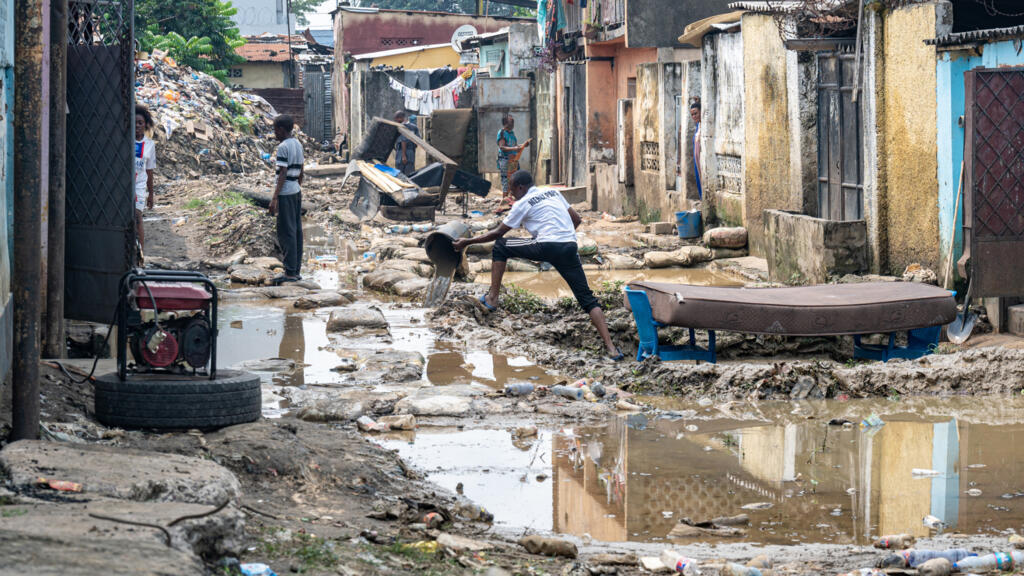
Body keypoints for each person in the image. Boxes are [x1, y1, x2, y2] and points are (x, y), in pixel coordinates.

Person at [453, 170, 623, 361]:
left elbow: (497, 234)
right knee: (588, 299)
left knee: (501, 247)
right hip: (569, 246)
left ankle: (492, 298)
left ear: (520, 187)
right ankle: (612, 349)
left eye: (511, 190)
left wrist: (466, 243)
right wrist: (561, 240)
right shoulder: (553, 192)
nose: (510, 195)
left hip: (547, 245)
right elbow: (577, 219)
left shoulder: (522, 203)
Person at [269, 114, 304, 284]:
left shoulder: (283, 147)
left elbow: (282, 173)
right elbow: (302, 170)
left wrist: (274, 198)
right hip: (295, 190)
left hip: (286, 192)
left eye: (275, 130)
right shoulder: (297, 144)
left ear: (282, 130)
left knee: (286, 232)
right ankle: (295, 270)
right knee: (296, 230)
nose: (274, 133)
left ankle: (290, 272)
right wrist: (298, 187)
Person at [496, 115, 531, 213]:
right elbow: (502, 147)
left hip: (513, 160)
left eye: (513, 122)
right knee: (506, 181)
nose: (513, 124)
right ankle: (503, 205)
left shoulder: (511, 133)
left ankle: (512, 201)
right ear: (505, 123)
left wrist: (523, 145)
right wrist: (515, 149)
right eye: (511, 122)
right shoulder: (502, 133)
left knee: (515, 179)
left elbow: (514, 146)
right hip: (505, 159)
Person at [134, 105, 156, 252]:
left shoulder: (149, 145)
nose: (137, 125)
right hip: (123, 184)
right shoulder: (124, 139)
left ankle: (140, 254)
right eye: (134, 122)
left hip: (139, 185)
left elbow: (149, 171)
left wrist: (151, 194)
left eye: (140, 122)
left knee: (137, 217)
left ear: (145, 125)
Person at [393, 110, 418, 176]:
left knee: (399, 174)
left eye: (396, 119)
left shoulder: (400, 127)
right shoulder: (414, 127)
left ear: (401, 118)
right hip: (411, 153)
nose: (396, 121)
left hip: (401, 153)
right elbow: (417, 141)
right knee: (410, 174)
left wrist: (403, 155)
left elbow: (403, 141)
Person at [689, 99, 703, 201]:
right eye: (692, 115)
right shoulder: (698, 126)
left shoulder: (704, 126)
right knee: (699, 180)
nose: (694, 116)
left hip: (702, 161)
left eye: (696, 113)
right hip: (697, 161)